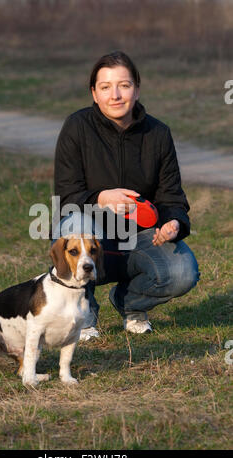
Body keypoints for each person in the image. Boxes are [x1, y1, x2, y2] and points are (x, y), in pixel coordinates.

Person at [53, 51, 199, 339]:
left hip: (140, 238)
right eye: (105, 87)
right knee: (75, 226)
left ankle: (129, 304)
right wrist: (101, 198)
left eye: (124, 85)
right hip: (92, 235)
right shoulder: (77, 127)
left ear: (137, 89)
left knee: (183, 271)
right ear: (94, 93)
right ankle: (84, 313)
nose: (116, 95)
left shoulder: (158, 134)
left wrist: (174, 223)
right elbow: (66, 196)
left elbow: (171, 197)